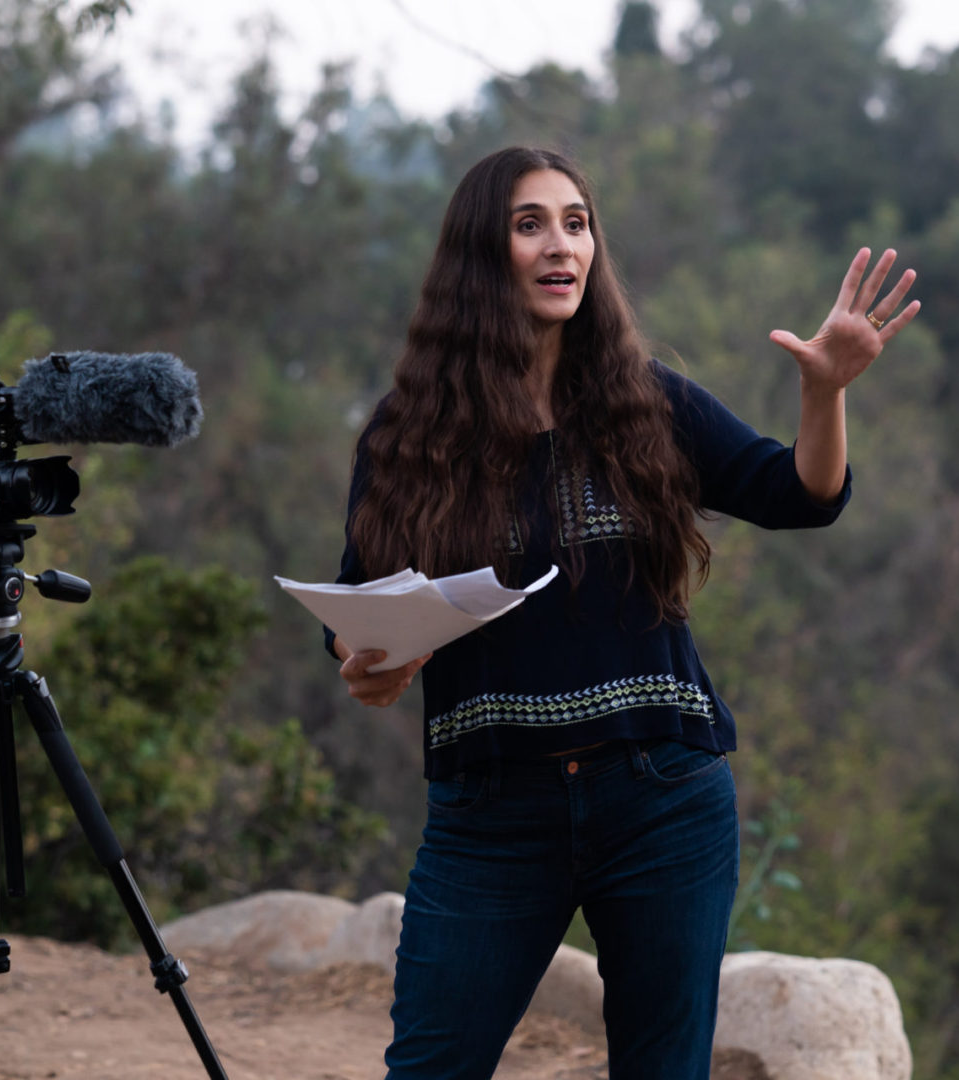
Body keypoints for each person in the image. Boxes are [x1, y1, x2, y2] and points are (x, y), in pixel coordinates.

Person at [324, 146, 919, 1080]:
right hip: (490, 811)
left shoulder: (649, 405)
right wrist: (369, 661)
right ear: (481, 253)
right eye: (531, 224)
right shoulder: (409, 436)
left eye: (576, 222)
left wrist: (823, 391)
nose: (562, 244)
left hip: (661, 799)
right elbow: (358, 607)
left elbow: (800, 495)